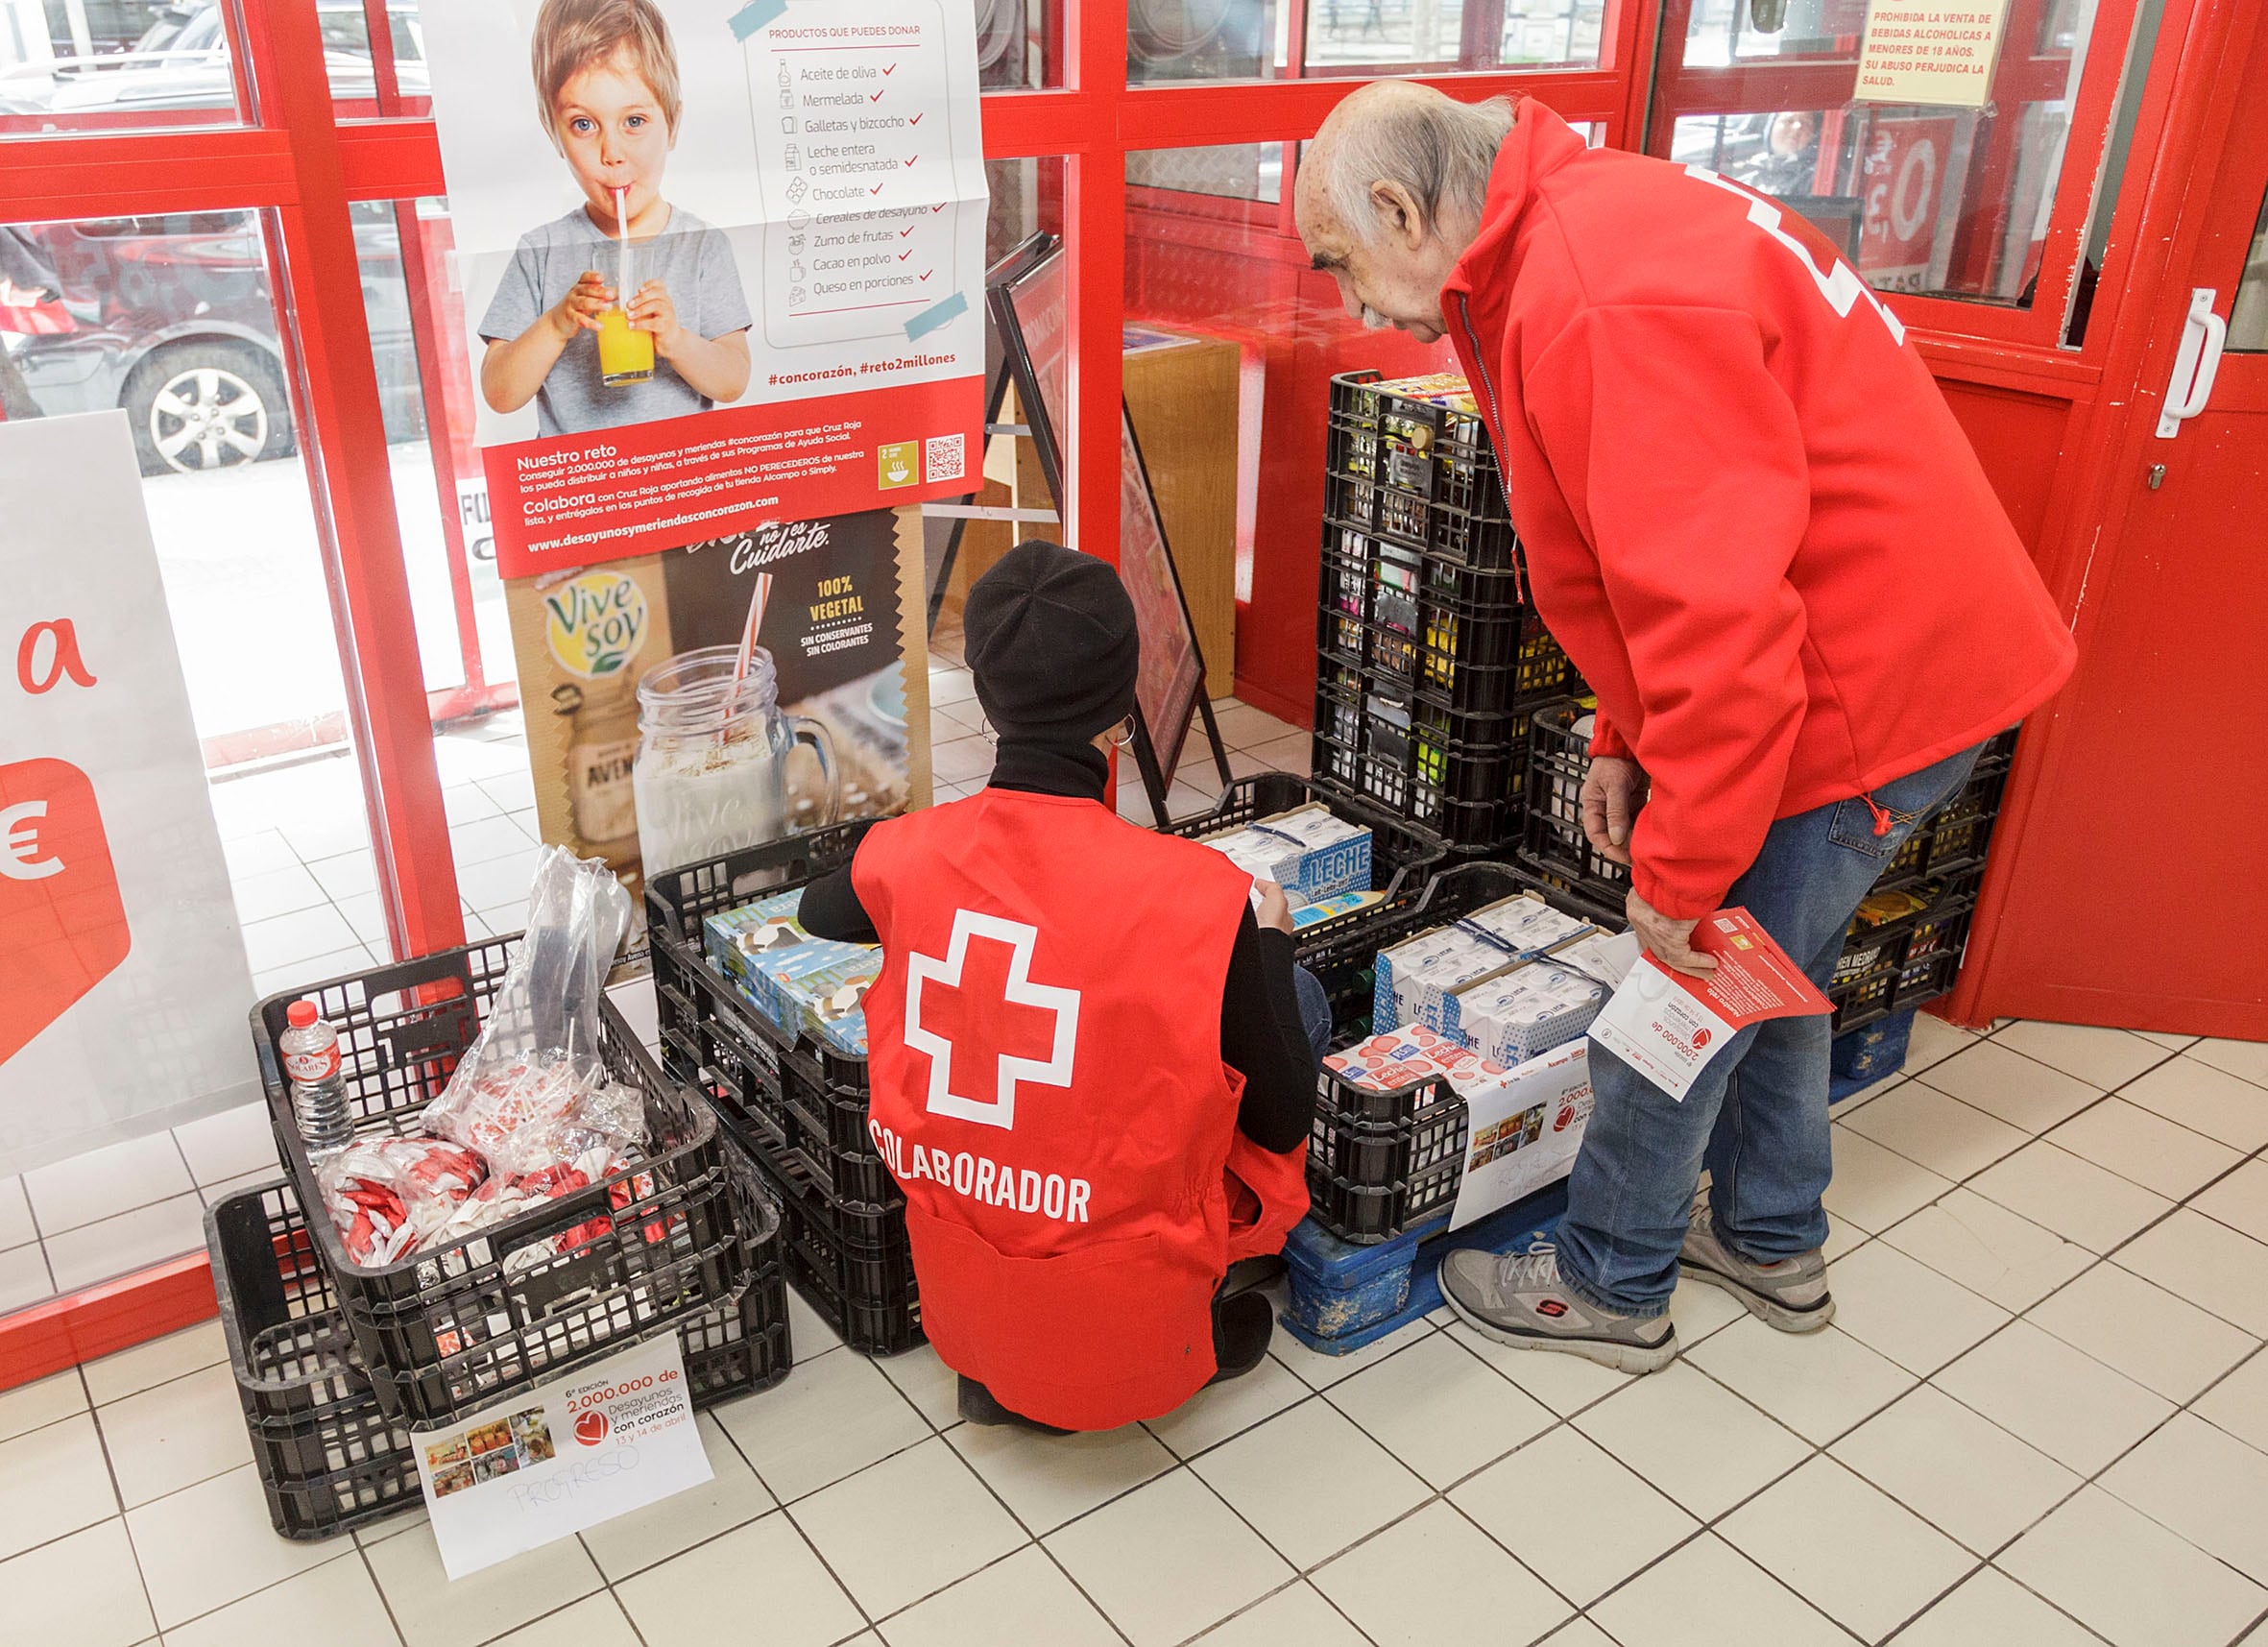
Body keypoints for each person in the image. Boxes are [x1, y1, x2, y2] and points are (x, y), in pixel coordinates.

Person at [1295, 85, 2075, 1371]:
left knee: (1690, 979)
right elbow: (1653, 554)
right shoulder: (1573, 227)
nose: (1352, 302)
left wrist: (1679, 872)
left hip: (1858, 695)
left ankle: (1611, 1273)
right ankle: (1771, 1235)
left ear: (1396, 207)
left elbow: (1723, 635)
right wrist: (1620, 730)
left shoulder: (1597, 298)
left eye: (1343, 262)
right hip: (1864, 656)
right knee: (1772, 957)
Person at [798, 542, 1327, 1432]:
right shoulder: (1197, 897)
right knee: (1292, 1001)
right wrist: (1267, 948)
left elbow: (822, 910)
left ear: (987, 698)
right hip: (1132, 1344)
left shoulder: (907, 855)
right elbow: (1282, 1119)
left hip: (964, 1312)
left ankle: (1013, 1353)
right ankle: (1188, 1317)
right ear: (1121, 710)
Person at [479, 0, 751, 434]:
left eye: (635, 120)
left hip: (680, 478)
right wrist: (556, 323)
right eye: (584, 125)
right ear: (553, 132)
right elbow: (500, 393)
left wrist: (676, 340)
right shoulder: (540, 252)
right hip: (582, 483)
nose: (612, 154)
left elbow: (733, 380)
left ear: (673, 123)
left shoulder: (702, 245)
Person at [1736, 110, 1822, 198]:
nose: (1798, 127)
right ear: (1770, 128)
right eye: (1789, 120)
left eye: (1806, 124)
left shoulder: (1815, 178)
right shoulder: (1748, 177)